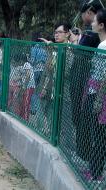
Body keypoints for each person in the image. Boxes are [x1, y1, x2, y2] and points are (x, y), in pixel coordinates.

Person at [69, 0, 103, 162]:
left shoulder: (92, 35)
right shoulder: (91, 34)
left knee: (85, 121)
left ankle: (86, 157)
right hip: (87, 83)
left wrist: (75, 41)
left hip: (88, 83)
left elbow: (80, 54)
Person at [81, 8, 106, 182]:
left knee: (97, 135)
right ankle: (95, 169)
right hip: (97, 93)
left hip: (98, 94)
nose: (92, 23)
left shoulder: (103, 46)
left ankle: (95, 173)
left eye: (95, 21)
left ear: (102, 25)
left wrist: (97, 98)